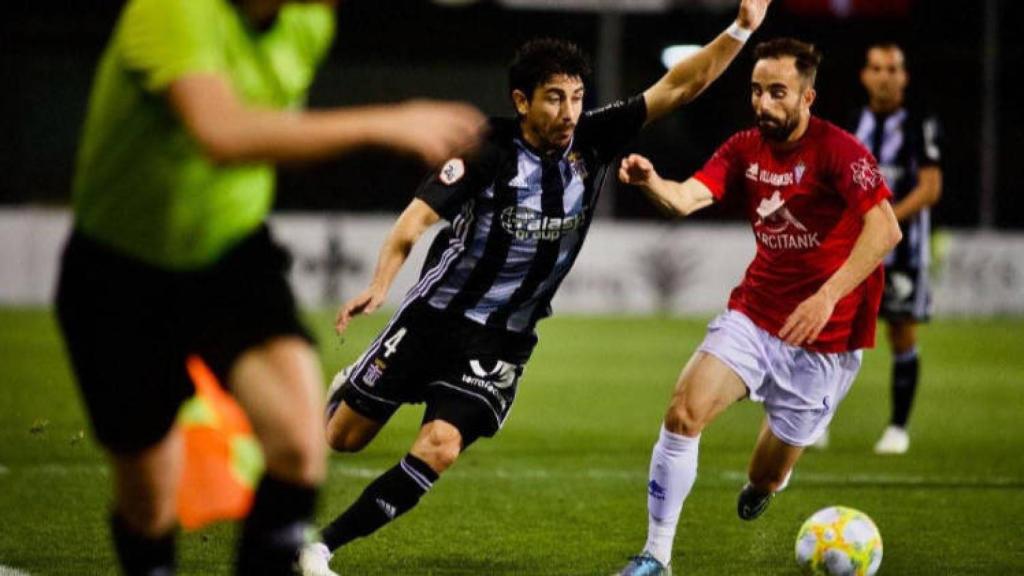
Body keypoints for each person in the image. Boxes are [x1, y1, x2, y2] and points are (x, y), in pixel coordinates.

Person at [296, 2, 773, 574]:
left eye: (575, 97)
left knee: (440, 446)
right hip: (434, 320)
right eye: (554, 97)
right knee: (343, 439)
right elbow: (414, 221)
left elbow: (682, 84)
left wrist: (742, 27)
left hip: (502, 342)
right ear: (522, 101)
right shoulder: (487, 150)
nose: (569, 111)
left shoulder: (593, 140)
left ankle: (320, 547)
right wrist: (380, 286)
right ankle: (349, 388)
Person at [54, 0, 484, 574]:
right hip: (120, 274)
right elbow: (221, 132)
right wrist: (385, 122)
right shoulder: (171, 10)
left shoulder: (307, 22)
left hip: (230, 256)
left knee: (299, 445)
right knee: (150, 503)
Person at [613, 38, 902, 575]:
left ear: (807, 97)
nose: (762, 103)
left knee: (765, 475)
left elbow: (885, 228)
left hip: (825, 343)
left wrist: (826, 296)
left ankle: (768, 481)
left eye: (777, 92)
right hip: (755, 316)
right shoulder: (744, 148)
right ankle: (656, 555)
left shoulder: (839, 151)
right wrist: (653, 183)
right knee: (683, 413)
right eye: (755, 90)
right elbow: (687, 198)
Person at [845, 42, 942, 454]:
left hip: (903, 250)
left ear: (903, 76)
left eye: (893, 69)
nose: (885, 76)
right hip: (853, 249)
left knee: (901, 333)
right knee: (833, 331)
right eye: (877, 68)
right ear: (865, 76)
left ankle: (898, 428)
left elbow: (931, 188)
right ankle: (816, 418)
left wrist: (884, 223)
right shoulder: (853, 123)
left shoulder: (920, 122)